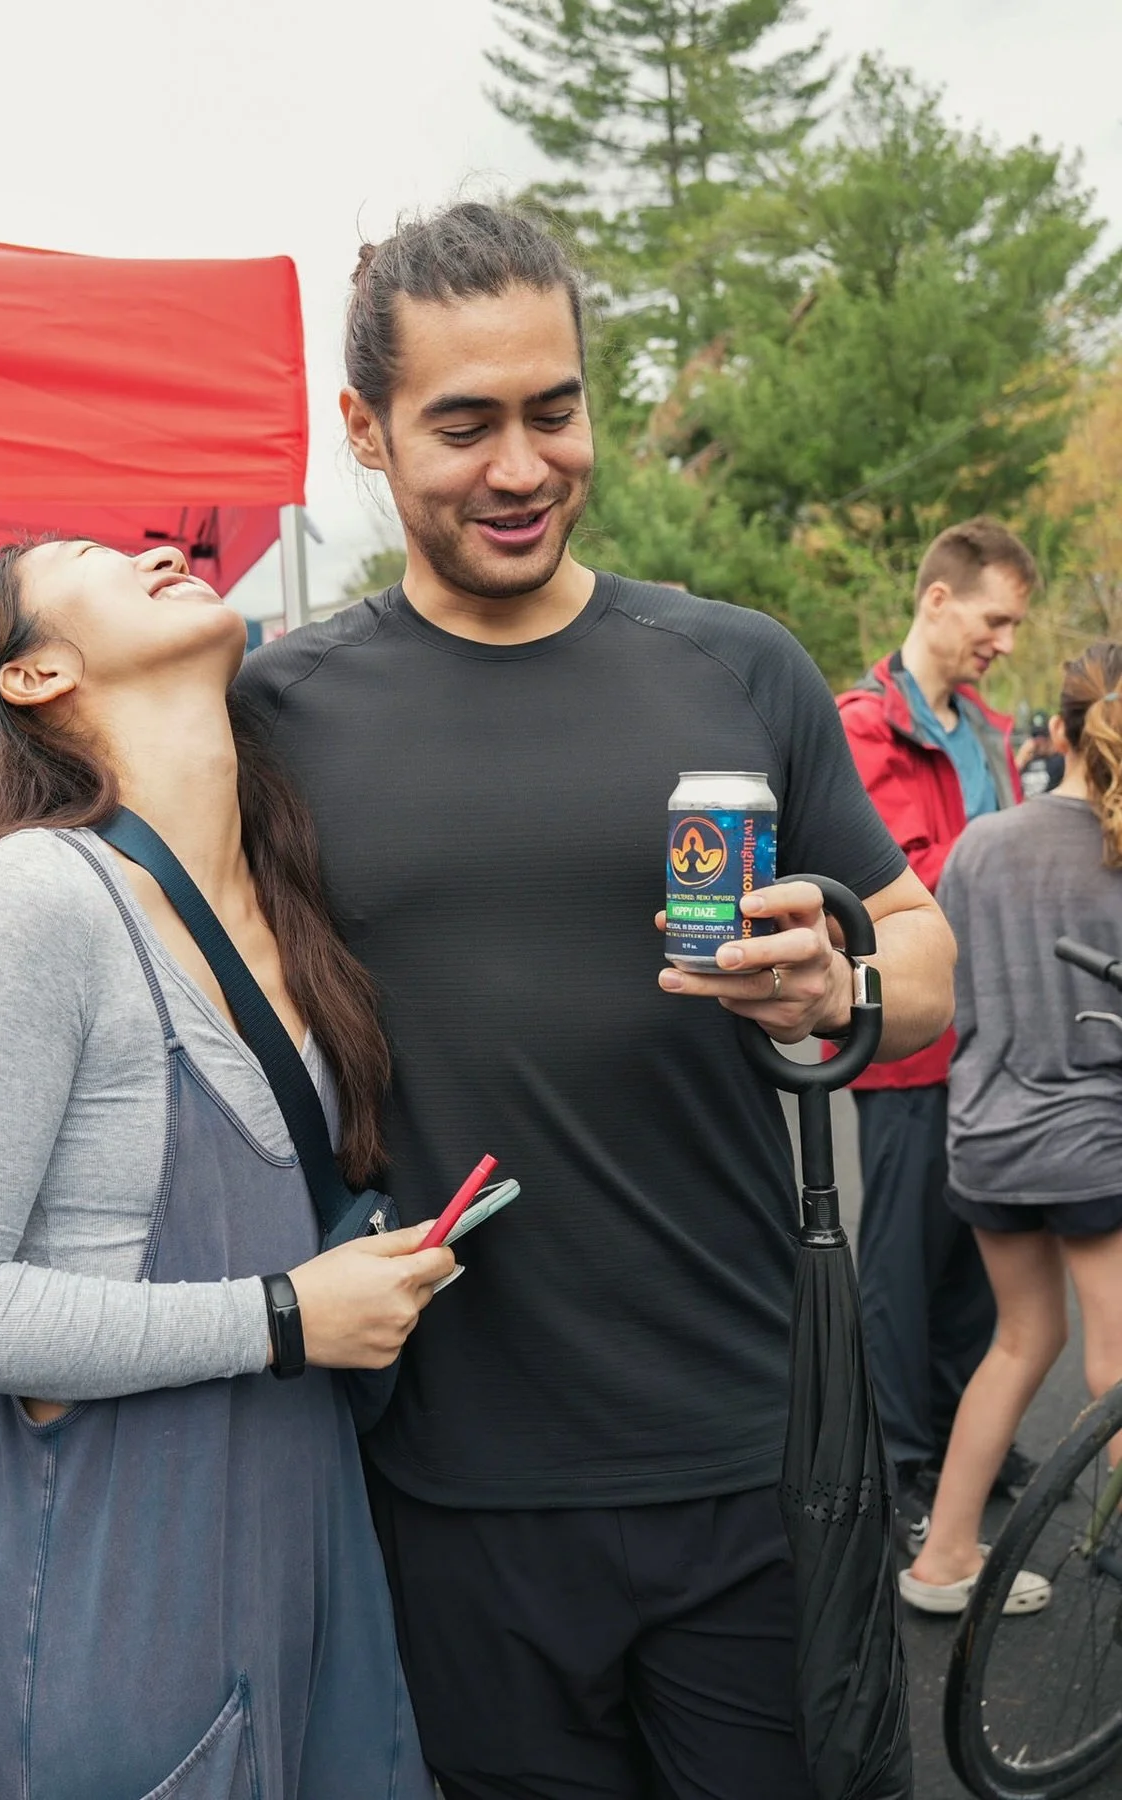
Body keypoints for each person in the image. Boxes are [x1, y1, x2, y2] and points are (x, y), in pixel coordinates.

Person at [230, 203, 955, 1799]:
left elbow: (925, 968)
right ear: (365, 429)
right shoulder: (276, 713)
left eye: (553, 411)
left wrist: (839, 982)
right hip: (449, 1470)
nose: (521, 467)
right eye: (463, 425)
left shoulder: (736, 665)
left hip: (747, 1449)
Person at [0, 540, 450, 1800]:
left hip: (314, 1578)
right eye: (96, 556)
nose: (163, 550)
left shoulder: (285, 904)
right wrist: (284, 1315)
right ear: (37, 674)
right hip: (119, 1618)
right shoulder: (36, 897)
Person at [899, 643, 1122, 1615]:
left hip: (987, 1132)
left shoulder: (982, 843)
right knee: (1117, 1364)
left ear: (1060, 732)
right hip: (1092, 1138)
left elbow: (949, 986)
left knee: (1023, 1340)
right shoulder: (1116, 850)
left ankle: (943, 1558)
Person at [836, 518, 1035, 1547]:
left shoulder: (990, 732)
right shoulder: (863, 728)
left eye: (1016, 625)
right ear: (938, 599)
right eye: (995, 620)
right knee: (901, 1268)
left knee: (972, 1263)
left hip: (994, 1043)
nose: (1005, 641)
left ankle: (968, 1442)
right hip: (911, 1042)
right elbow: (893, 888)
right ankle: (902, 1467)